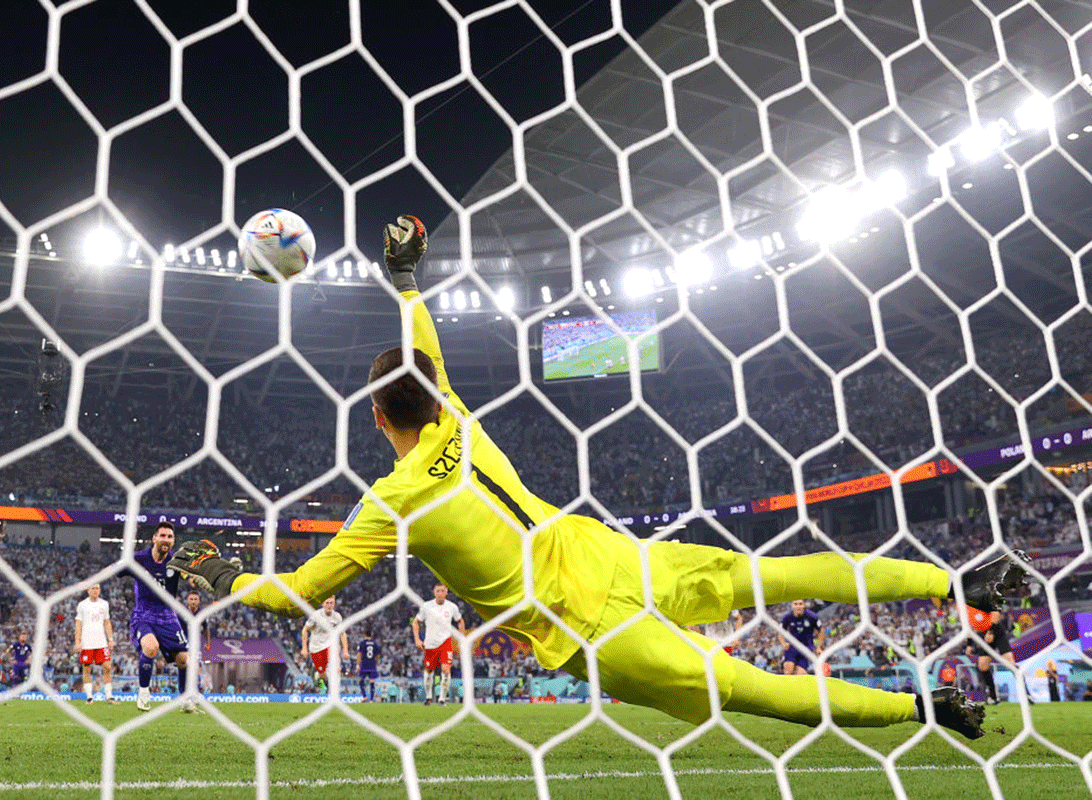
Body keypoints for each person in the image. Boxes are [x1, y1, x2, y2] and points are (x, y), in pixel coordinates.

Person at [171, 214, 1031, 740]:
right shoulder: (457, 418)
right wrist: (404, 278)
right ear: (434, 394)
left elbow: (298, 592)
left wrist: (227, 578)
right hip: (605, 552)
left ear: (374, 418)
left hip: (582, 626)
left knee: (749, 689)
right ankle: (961, 581)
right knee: (767, 577)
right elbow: (422, 339)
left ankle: (929, 713)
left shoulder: (390, 505)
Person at [128, 522, 193, 712]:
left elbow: (191, 580)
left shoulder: (176, 561)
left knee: (184, 659)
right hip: (144, 614)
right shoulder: (138, 558)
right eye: (163, 535)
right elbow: (116, 568)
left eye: (170, 537)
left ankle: (184, 699)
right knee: (150, 647)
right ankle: (143, 695)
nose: (166, 539)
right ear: (154, 538)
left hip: (168, 616)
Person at [413, 583, 466, 705]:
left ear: (446, 593)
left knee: (446, 670)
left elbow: (460, 621)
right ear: (434, 593)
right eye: (438, 591)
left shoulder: (452, 607)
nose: (440, 593)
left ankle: (442, 699)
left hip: (445, 642)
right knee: (429, 671)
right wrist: (417, 639)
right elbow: (416, 622)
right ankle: (429, 697)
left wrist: (461, 638)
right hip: (430, 643)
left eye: (443, 591)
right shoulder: (426, 606)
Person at [74, 583, 117, 705]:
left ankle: (109, 697)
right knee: (87, 669)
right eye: (93, 588)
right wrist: (77, 641)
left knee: (107, 667)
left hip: (101, 642)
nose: (95, 590)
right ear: (88, 590)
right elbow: (78, 624)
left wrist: (110, 639)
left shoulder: (104, 604)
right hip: (87, 642)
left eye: (97, 588)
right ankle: (89, 697)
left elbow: (107, 622)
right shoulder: (82, 605)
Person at [965, 608, 1016, 705]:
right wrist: (969, 644)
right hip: (983, 634)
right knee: (983, 666)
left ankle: (1026, 694)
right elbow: (969, 625)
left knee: (1010, 662)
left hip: (996, 631)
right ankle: (993, 697)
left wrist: (990, 631)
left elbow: (996, 614)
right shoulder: (967, 608)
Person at [300, 596, 349, 688]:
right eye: (327, 603)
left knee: (336, 669)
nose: (329, 605)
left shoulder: (337, 617)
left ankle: (334, 693)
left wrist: (345, 650)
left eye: (331, 603)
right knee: (322, 674)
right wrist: (304, 648)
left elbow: (342, 633)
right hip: (316, 648)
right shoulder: (315, 616)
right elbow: (305, 630)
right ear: (323, 604)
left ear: (334, 604)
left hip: (331, 646)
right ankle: (320, 679)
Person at [180, 589, 210, 704]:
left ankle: (195, 693)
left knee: (195, 668)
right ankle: (183, 695)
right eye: (191, 599)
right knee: (182, 669)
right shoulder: (181, 612)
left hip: (194, 644)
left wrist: (208, 643)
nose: (193, 601)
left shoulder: (202, 613)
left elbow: (206, 628)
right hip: (181, 644)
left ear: (199, 601)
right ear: (187, 600)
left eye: (195, 599)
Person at [778, 600, 824, 675]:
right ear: (792, 606)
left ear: (804, 605)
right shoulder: (787, 617)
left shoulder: (812, 616)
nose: (798, 606)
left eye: (800, 604)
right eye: (795, 604)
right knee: (788, 669)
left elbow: (821, 631)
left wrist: (818, 647)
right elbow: (780, 632)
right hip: (792, 647)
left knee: (801, 674)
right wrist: (783, 644)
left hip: (806, 648)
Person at [355, 630, 381, 702]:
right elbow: (378, 655)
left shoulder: (362, 643)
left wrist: (358, 664)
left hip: (364, 664)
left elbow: (359, 654)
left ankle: (364, 696)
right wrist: (377, 661)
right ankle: (371, 699)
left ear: (365, 634)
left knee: (360, 679)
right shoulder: (375, 643)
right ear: (371, 635)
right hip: (372, 663)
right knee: (372, 681)